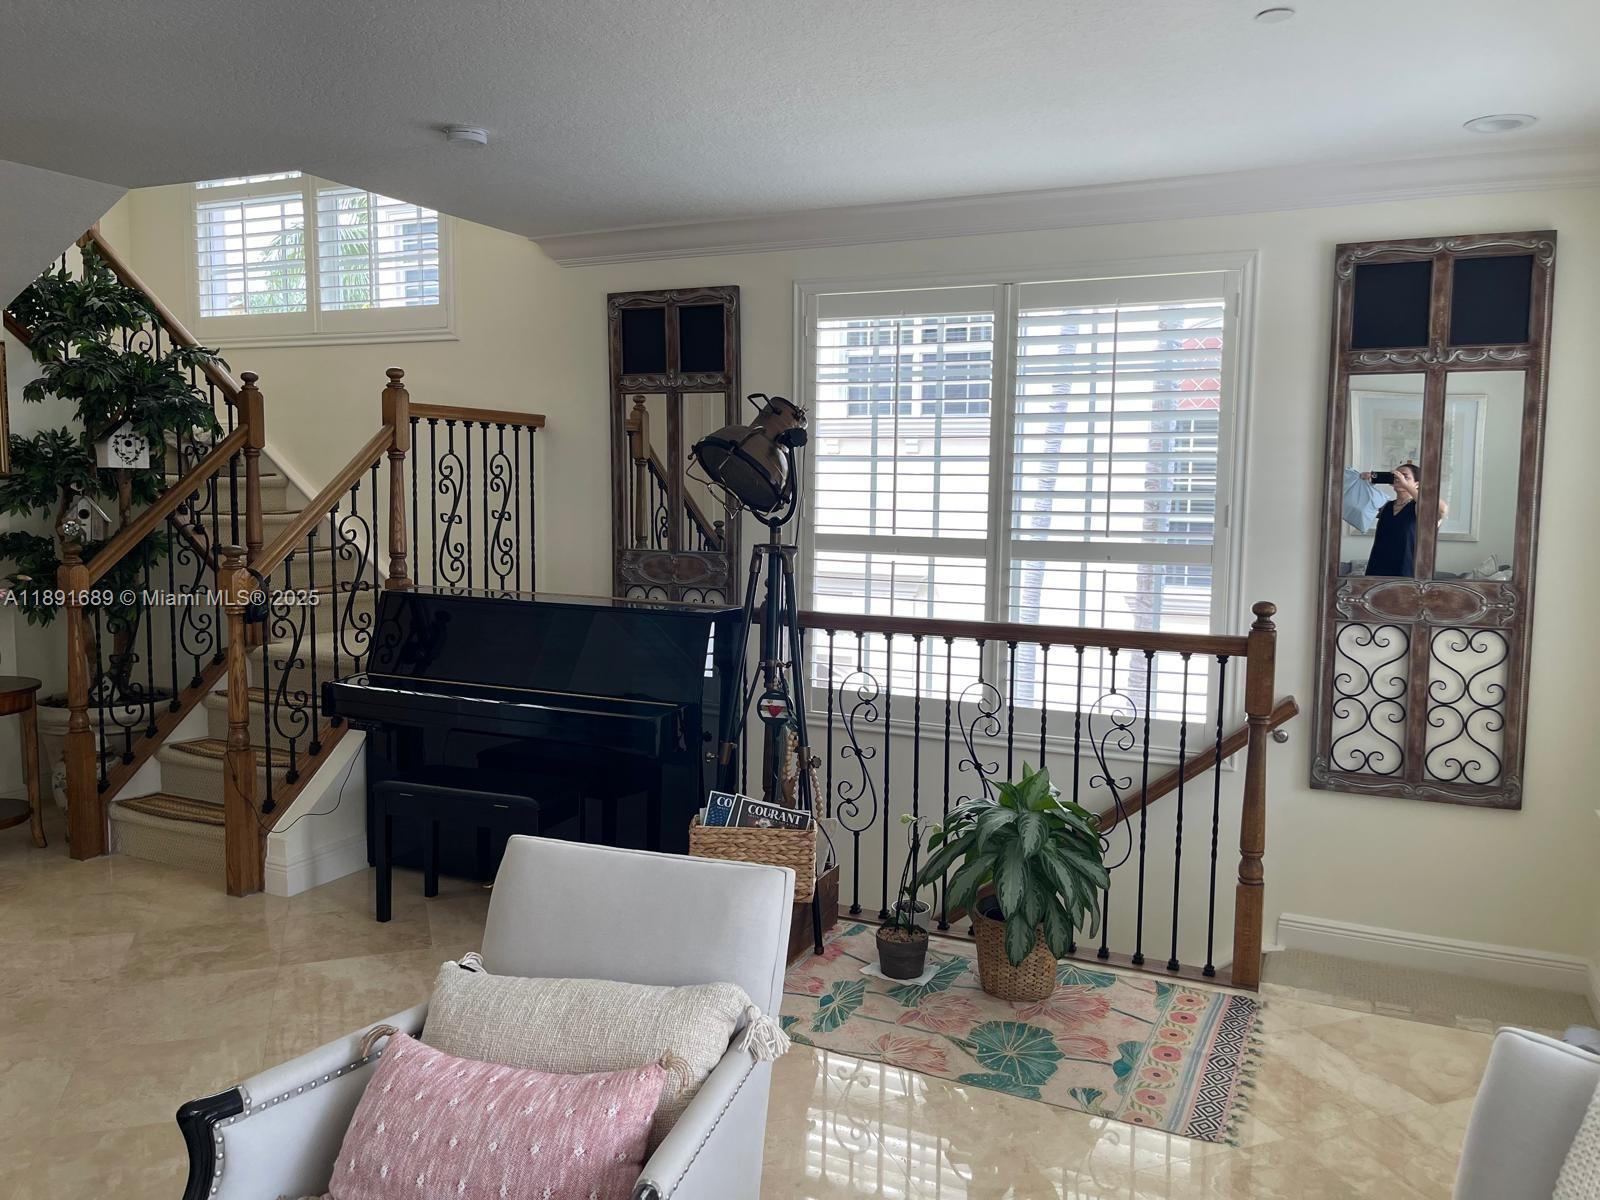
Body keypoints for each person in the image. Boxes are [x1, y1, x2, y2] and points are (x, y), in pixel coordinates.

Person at [1362, 462, 1447, 577]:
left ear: (1417, 484)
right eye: (1396, 476)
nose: (1399, 478)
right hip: (1377, 571)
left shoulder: (1417, 507)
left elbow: (1442, 509)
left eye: (1405, 476)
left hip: (1406, 574)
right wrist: (1364, 484)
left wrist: (1406, 485)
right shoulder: (1386, 506)